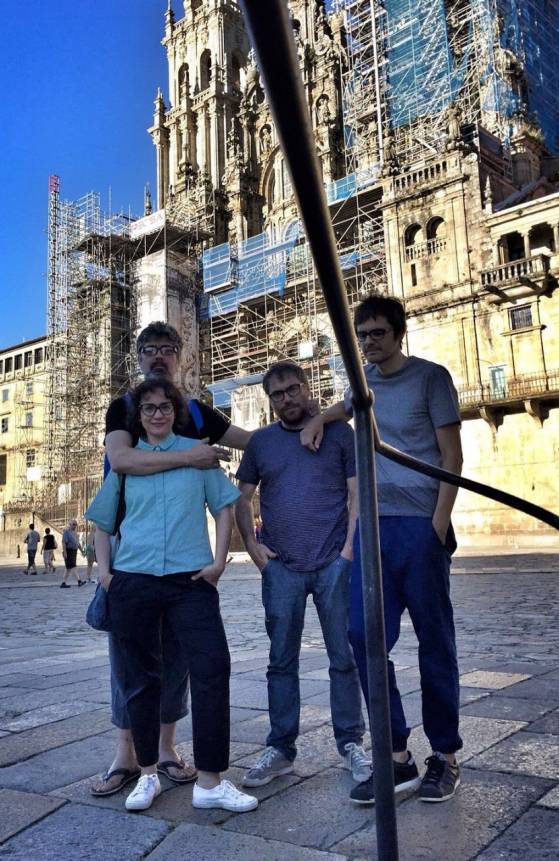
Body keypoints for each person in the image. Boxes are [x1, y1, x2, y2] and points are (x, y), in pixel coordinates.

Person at [301, 294, 464, 804]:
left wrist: (438, 524)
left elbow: (452, 455)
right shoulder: (362, 383)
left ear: (398, 333)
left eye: (377, 333)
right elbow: (342, 406)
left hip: (419, 524)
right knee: (363, 635)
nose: (369, 342)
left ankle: (446, 755)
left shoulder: (431, 377)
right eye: (362, 335)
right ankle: (396, 755)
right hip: (373, 527)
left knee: (435, 641)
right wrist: (318, 421)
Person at [91, 321, 252, 797]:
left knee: (180, 657)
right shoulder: (124, 408)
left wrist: (311, 422)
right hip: (132, 548)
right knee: (131, 660)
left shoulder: (199, 415)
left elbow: (250, 441)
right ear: (138, 357)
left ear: (181, 358)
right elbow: (122, 461)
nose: (158, 356)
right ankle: (127, 756)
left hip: (183, 559)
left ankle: (165, 750)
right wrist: (192, 458)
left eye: (167, 349)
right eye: (150, 349)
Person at [235, 361, 370, 789]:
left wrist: (348, 551)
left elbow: (357, 493)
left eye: (292, 390)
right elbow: (242, 499)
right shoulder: (260, 444)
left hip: (333, 563)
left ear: (307, 387)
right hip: (283, 569)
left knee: (342, 658)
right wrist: (256, 551)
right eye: (277, 394)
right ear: (268, 400)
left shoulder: (339, 434)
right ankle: (280, 748)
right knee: (280, 661)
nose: (286, 399)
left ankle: (351, 743)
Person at [61, 520, 84, 588]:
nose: (75, 526)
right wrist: (65, 552)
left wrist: (82, 550)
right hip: (69, 551)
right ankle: (79, 581)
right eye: (73, 524)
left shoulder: (75, 533)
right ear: (70, 524)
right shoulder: (66, 532)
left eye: (76, 524)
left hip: (74, 551)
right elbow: (64, 543)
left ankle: (63, 583)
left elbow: (77, 543)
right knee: (73, 566)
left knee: (68, 568)